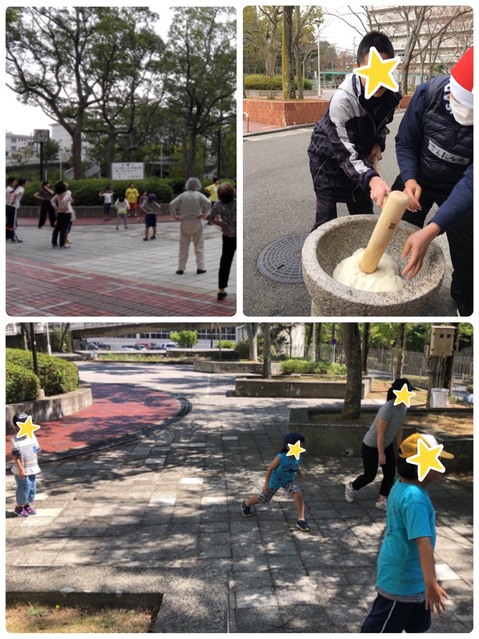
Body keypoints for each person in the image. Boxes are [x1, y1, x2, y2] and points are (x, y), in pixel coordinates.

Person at [393, 46, 473, 316]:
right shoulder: (428, 94)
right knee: (394, 228)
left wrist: (432, 230)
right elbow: (406, 141)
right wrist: (409, 178)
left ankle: (464, 298)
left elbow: (473, 183)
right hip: (421, 176)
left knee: (468, 252)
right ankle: (390, 280)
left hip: (460, 187)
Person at [307, 31, 401, 230]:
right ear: (357, 68)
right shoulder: (343, 101)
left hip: (360, 156)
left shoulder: (391, 96)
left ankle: (363, 257)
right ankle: (313, 259)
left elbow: (382, 124)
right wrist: (373, 179)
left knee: (364, 216)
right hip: (328, 158)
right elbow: (346, 154)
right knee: (326, 221)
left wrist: (377, 143)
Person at [361, 433, 453, 633]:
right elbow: (423, 543)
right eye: (436, 460)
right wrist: (431, 583)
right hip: (403, 582)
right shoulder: (414, 499)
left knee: (418, 626)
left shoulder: (403, 486)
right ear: (420, 467)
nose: (440, 465)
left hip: (413, 577)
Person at [345, 378, 414, 510]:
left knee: (390, 473)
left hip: (386, 445)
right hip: (371, 445)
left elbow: (400, 427)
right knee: (370, 475)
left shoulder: (403, 407)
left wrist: (399, 446)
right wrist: (381, 453)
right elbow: (380, 433)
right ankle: (351, 486)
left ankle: (381, 499)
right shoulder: (387, 409)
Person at [241, 432, 310, 532]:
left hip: (289, 481)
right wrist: (266, 485)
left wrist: (300, 474)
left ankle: (301, 519)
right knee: (263, 499)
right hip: (275, 481)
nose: (300, 449)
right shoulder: (280, 458)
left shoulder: (298, 456)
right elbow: (269, 469)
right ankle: (246, 504)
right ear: (287, 446)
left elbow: (296, 465)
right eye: (298, 446)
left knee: (298, 494)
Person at [169, 177, 211, 274]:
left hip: (185, 221)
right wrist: (204, 214)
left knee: (183, 246)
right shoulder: (200, 195)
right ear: (198, 185)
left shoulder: (183, 195)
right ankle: (201, 267)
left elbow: (171, 204)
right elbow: (208, 203)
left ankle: (181, 268)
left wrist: (175, 216)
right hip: (197, 221)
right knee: (199, 246)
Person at [206, 182, 236, 300]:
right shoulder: (237, 203)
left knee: (225, 262)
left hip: (227, 235)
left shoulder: (218, 205)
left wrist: (221, 225)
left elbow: (208, 217)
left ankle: (221, 289)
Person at [10, 412, 42, 518]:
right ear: (16, 427)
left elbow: (35, 451)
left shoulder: (32, 436)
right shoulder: (15, 440)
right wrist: (21, 469)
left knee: (32, 487)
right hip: (22, 470)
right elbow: (16, 457)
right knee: (24, 487)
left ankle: (27, 504)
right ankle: (19, 507)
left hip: (32, 468)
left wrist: (37, 465)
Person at [51, 180, 74, 249]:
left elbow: (52, 200)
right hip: (67, 212)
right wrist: (63, 207)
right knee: (64, 228)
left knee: (57, 228)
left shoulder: (58, 193)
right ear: (64, 186)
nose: (66, 183)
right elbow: (64, 200)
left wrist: (57, 208)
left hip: (60, 213)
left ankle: (54, 243)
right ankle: (62, 244)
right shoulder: (68, 192)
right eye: (65, 183)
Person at [8, 177, 28, 243]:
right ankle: (13, 238)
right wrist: (13, 201)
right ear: (23, 183)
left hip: (10, 206)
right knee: (13, 223)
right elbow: (16, 194)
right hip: (14, 206)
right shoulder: (21, 189)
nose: (27, 183)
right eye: (26, 182)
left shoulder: (18, 187)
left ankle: (10, 236)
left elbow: (12, 193)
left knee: (11, 222)